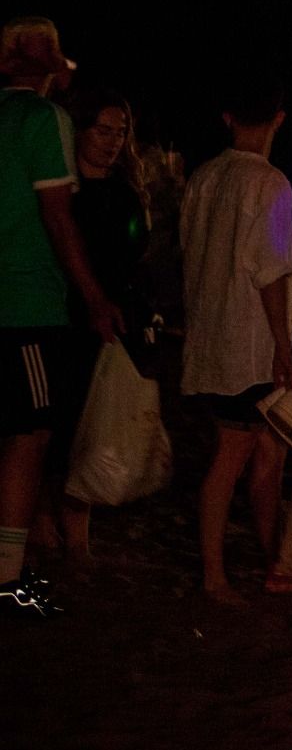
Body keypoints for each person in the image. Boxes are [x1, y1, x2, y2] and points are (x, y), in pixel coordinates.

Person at [0, 17, 121, 618]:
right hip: (24, 301)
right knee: (29, 435)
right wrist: (95, 296)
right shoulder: (44, 121)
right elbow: (56, 217)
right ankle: (9, 576)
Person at [180, 82, 292, 604]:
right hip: (246, 347)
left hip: (209, 337)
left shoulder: (204, 178)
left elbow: (188, 252)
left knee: (268, 453)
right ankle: (215, 576)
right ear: (278, 119)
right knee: (233, 458)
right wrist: (283, 346)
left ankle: (274, 561)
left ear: (229, 117)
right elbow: (270, 272)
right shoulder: (270, 184)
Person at [36, 89, 153, 558]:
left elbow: (135, 255)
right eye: (103, 131)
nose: (112, 142)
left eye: (120, 133)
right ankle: (46, 515)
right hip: (65, 317)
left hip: (111, 319)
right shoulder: (63, 194)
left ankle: (76, 524)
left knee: (94, 420)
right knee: (56, 421)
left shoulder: (125, 193)